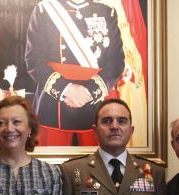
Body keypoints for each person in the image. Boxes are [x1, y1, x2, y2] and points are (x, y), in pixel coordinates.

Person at [24, 0, 125, 146]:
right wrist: (65, 89)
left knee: (97, 166)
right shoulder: (44, 10)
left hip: (96, 106)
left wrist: (90, 92)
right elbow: (34, 60)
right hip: (53, 105)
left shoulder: (106, 12)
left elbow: (116, 62)